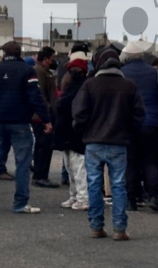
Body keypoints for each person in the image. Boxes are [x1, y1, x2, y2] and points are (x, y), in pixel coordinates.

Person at [0, 40, 51, 214]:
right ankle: (20, 203)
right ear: (19, 53)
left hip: (0, 121)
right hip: (20, 121)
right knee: (23, 162)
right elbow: (35, 97)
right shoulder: (27, 71)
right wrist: (46, 119)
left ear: (4, 53)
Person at [72, 47, 145, 240]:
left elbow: (78, 114)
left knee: (94, 183)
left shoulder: (90, 85)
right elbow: (139, 115)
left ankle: (96, 226)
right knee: (119, 185)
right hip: (119, 142)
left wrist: (82, 130)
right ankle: (120, 228)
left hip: (93, 141)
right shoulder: (129, 86)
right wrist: (130, 132)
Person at [120, 39, 158, 211]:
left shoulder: (121, 73)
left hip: (129, 124)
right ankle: (153, 197)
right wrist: (157, 114)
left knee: (131, 161)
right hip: (151, 123)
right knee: (151, 161)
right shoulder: (154, 73)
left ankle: (131, 199)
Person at [54, 57, 89, 210]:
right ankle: (75, 195)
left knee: (78, 167)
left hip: (75, 131)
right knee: (71, 166)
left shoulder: (80, 87)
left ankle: (82, 197)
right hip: (69, 130)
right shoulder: (74, 86)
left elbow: (63, 104)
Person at [32, 46, 60, 188]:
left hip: (43, 115)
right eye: (51, 59)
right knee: (44, 146)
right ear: (45, 59)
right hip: (42, 116)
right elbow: (41, 95)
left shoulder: (44, 71)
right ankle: (41, 175)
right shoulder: (39, 72)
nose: (53, 61)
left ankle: (39, 173)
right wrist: (47, 115)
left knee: (42, 145)